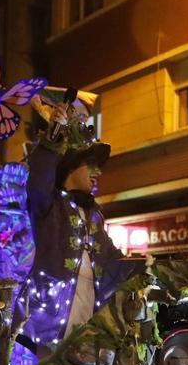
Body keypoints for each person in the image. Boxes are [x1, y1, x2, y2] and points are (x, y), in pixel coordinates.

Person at [21, 90, 140, 350]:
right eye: (91, 164)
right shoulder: (49, 205)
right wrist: (53, 136)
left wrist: (144, 268)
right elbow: (39, 177)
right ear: (71, 167)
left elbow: (112, 260)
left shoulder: (95, 214)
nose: (97, 172)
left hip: (90, 308)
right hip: (50, 315)